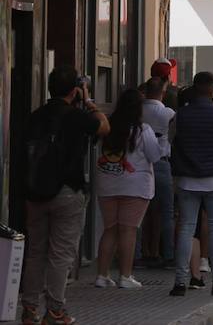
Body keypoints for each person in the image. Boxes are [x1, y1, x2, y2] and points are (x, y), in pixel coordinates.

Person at [20, 67, 110, 324]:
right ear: (75, 90)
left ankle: (29, 309)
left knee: (36, 251)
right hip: (67, 192)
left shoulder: (35, 116)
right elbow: (104, 127)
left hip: (35, 193)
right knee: (60, 254)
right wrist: (89, 100)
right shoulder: (76, 116)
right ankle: (56, 309)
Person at [168, 72, 213, 297]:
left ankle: (180, 282)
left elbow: (171, 139)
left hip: (187, 178)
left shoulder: (180, 115)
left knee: (186, 228)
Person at [93, 89, 162, 289]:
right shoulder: (143, 130)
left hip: (108, 183)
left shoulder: (108, 126)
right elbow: (154, 156)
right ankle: (125, 275)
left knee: (110, 229)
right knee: (128, 230)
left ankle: (101, 275)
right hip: (135, 185)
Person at [139, 76, 177, 269]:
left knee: (140, 212)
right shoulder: (168, 113)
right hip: (162, 163)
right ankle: (169, 255)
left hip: (140, 164)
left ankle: (138, 255)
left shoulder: (138, 111)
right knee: (167, 212)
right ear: (162, 92)